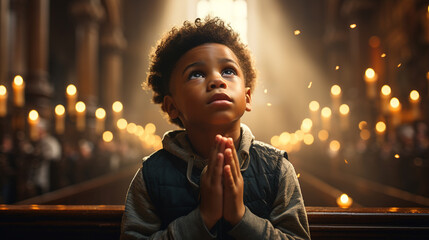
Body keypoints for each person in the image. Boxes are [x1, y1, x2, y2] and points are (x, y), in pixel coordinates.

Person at [121, 17, 311, 239]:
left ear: (247, 97)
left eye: (228, 71)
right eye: (197, 74)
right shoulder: (150, 175)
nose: (216, 80)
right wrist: (202, 218)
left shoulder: (278, 168)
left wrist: (241, 217)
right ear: (172, 106)